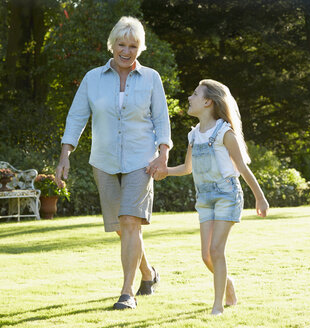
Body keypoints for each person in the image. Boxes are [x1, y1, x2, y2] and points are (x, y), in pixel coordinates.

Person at [55, 16, 172, 310]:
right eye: (122, 44)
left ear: (139, 48)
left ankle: (127, 293)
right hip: (104, 161)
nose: (126, 50)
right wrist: (65, 154)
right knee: (123, 226)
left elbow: (161, 118)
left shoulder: (151, 78)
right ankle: (148, 273)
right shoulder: (93, 78)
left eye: (133, 45)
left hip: (140, 159)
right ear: (112, 45)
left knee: (131, 222)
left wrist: (163, 153)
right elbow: (76, 117)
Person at [167, 79, 269, 315]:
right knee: (206, 256)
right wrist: (162, 171)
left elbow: (242, 168)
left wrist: (260, 198)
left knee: (216, 250)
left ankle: (217, 305)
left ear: (207, 101)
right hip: (204, 199)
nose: (190, 98)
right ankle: (229, 284)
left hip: (227, 195)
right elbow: (186, 168)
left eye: (194, 94)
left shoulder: (225, 133)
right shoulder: (193, 135)